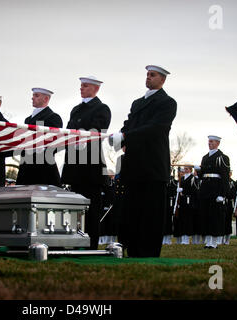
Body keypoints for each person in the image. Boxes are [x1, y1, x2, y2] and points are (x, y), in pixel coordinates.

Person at [110, 65, 177, 257]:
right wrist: (120, 136)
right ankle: (131, 247)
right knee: (132, 210)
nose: (148, 78)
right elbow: (129, 123)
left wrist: (126, 137)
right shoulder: (137, 102)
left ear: (162, 80)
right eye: (147, 75)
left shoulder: (167, 102)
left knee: (151, 211)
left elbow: (155, 128)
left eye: (153, 75)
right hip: (134, 164)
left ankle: (148, 250)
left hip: (153, 164)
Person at [61, 76, 111, 249]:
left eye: (85, 86)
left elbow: (96, 133)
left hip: (91, 167)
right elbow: (68, 131)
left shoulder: (102, 108)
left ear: (96, 89)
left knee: (91, 210)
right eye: (81, 85)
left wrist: (77, 138)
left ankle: (91, 245)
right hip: (75, 165)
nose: (81, 88)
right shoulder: (76, 110)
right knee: (76, 209)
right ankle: (76, 242)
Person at [16, 88, 63, 186]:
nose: (32, 98)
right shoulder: (28, 119)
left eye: (36, 95)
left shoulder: (53, 117)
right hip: (26, 168)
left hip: (43, 168)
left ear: (46, 99)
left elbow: (56, 143)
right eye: (33, 95)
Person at [196, 135, 230, 249]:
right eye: (209, 142)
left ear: (217, 143)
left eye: (211, 142)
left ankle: (214, 242)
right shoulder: (205, 157)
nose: (209, 143)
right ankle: (208, 241)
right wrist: (198, 170)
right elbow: (201, 176)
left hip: (216, 188)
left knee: (215, 216)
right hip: (206, 189)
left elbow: (225, 177)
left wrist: (222, 194)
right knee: (206, 215)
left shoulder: (222, 157)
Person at [176, 165, 198, 245]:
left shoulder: (193, 178)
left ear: (190, 170)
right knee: (183, 219)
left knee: (188, 220)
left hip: (189, 200)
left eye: (187, 169)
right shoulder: (182, 178)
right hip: (183, 201)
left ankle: (187, 238)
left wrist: (184, 190)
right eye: (184, 169)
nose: (185, 170)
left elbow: (195, 190)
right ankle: (183, 238)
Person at [163, 168, 177, 245]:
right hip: (163, 201)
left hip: (170, 202)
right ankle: (163, 238)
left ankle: (168, 239)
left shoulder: (173, 181)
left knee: (168, 220)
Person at [224, 170, 237, 245]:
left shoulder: (232, 182)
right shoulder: (223, 181)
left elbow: (233, 193)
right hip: (223, 202)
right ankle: (221, 238)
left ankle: (227, 239)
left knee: (228, 222)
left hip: (229, 203)